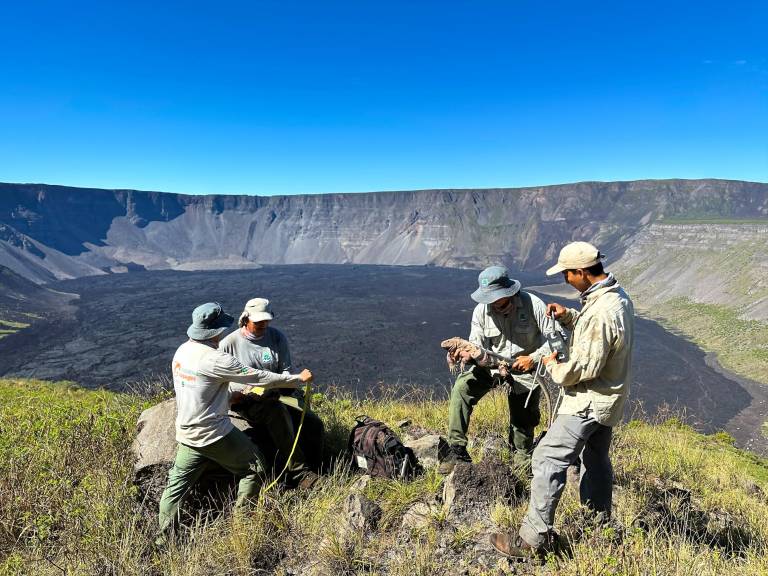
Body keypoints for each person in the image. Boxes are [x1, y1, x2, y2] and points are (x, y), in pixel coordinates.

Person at [489, 241, 635, 560]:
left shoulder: (603, 312)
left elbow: (584, 367)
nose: (566, 279)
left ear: (581, 272)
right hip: (607, 400)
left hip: (587, 403)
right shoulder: (613, 298)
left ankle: (532, 541)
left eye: (568, 274)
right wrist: (569, 316)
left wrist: (553, 364)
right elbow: (595, 335)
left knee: (546, 457)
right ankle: (600, 529)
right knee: (595, 460)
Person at [157, 302, 313, 541]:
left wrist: (230, 396)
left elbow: (199, 389)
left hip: (186, 433)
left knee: (176, 488)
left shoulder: (182, 351)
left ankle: (163, 539)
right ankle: (243, 527)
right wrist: (297, 379)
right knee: (255, 468)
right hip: (213, 433)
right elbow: (259, 376)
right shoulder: (215, 359)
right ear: (216, 331)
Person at [439, 265, 559, 474]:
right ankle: (456, 449)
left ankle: (521, 462)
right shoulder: (481, 311)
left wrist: (533, 358)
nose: (492, 303)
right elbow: (476, 344)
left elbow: (556, 341)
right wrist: (468, 355)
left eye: (496, 298)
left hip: (526, 373)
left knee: (522, 429)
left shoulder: (533, 305)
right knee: (462, 388)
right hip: (492, 367)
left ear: (509, 292)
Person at [220, 298, 325, 489]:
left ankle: (318, 467)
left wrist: (282, 384)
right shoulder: (229, 344)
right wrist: (241, 392)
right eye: (258, 322)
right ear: (245, 319)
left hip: (276, 393)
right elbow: (222, 381)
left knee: (314, 424)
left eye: (266, 321)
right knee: (277, 413)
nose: (263, 325)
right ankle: (299, 472)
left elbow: (285, 370)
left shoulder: (276, 338)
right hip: (245, 401)